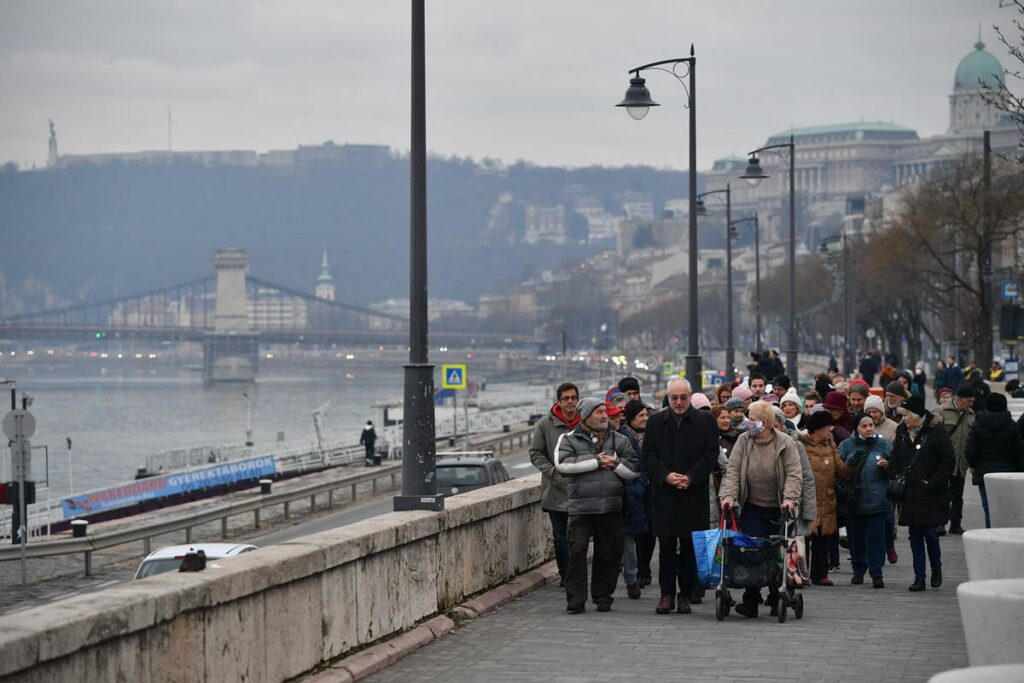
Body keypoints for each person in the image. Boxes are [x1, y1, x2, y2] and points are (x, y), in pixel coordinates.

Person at [642, 378, 720, 615]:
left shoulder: (705, 420)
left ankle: (685, 594)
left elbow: (710, 454)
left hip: (692, 493)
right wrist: (666, 476)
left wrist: (691, 477)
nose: (678, 402)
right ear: (668, 398)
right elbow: (648, 455)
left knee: (689, 546)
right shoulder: (656, 421)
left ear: (690, 396)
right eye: (674, 398)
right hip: (665, 493)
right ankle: (667, 594)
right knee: (665, 545)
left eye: (682, 398)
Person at [719, 401, 803, 618]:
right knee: (753, 551)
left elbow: (794, 474)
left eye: (752, 419)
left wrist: (789, 499)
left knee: (778, 553)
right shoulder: (744, 441)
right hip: (753, 506)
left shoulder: (785, 443)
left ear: (764, 423)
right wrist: (728, 496)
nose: (748, 422)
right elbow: (733, 472)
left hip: (778, 506)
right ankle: (751, 599)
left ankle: (777, 596)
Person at [555, 398, 640, 613]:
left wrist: (616, 464)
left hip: (611, 506)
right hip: (581, 507)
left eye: (605, 412)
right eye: (599, 412)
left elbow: (635, 469)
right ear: (585, 416)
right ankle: (576, 600)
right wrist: (597, 462)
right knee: (577, 553)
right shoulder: (568, 439)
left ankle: (603, 597)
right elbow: (563, 465)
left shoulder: (619, 440)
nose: (605, 416)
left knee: (609, 553)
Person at [891, 396, 955, 592]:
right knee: (914, 535)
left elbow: (948, 460)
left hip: (931, 493)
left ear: (916, 416)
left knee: (930, 534)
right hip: (910, 492)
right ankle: (919, 577)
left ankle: (936, 568)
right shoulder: (902, 432)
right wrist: (893, 474)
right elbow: (896, 457)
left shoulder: (937, 432)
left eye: (905, 416)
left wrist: (932, 482)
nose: (903, 420)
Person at [529, 382, 580, 586]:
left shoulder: (585, 421)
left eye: (573, 398)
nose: (570, 402)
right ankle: (565, 574)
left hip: (581, 489)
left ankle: (576, 573)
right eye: (566, 398)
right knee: (560, 536)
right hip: (555, 491)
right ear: (559, 401)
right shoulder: (545, 424)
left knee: (578, 537)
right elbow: (535, 453)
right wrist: (551, 471)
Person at [838, 413, 894, 589]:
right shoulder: (847, 445)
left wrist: (888, 467)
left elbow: (896, 469)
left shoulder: (884, 444)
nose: (869, 429)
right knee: (857, 539)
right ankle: (858, 571)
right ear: (856, 428)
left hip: (879, 501)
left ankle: (877, 573)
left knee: (876, 538)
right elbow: (839, 471)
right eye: (864, 426)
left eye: (871, 425)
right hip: (855, 501)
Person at [799, 408, 849, 585]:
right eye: (827, 427)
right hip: (806, 497)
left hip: (826, 497)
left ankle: (820, 573)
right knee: (803, 538)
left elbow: (840, 469)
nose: (830, 430)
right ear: (817, 428)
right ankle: (800, 573)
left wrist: (853, 463)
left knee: (822, 537)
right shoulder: (801, 445)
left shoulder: (830, 444)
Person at [966, 392, 1024, 529]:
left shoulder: (977, 424)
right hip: (1008, 473)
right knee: (1006, 509)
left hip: (983, 473)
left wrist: (973, 465)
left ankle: (991, 533)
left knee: (988, 509)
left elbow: (970, 450)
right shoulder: (1011, 425)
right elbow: (1019, 452)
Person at [617, 399, 650, 599]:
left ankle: (643, 571)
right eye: (641, 416)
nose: (645, 419)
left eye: (647, 415)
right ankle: (632, 577)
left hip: (647, 492)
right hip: (630, 494)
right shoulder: (622, 437)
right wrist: (637, 486)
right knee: (628, 539)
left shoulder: (653, 435)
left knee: (647, 535)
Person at [936, 386, 975, 535]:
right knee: (942, 495)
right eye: (969, 401)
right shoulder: (941, 412)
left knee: (958, 496)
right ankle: (940, 524)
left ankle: (955, 524)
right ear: (959, 400)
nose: (971, 404)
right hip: (943, 463)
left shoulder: (971, 414)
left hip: (961, 464)